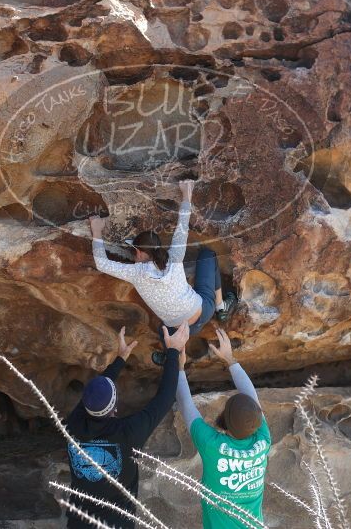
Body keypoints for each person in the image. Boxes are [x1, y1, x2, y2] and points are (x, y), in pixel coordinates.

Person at [64, 323, 190, 528]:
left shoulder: (72, 425)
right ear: (114, 406)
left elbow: (96, 393)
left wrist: (121, 357)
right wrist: (173, 352)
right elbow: (165, 399)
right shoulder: (127, 433)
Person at [89, 179, 237, 341]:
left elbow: (102, 264)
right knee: (208, 255)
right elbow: (183, 226)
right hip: (203, 311)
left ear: (138, 252)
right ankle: (221, 308)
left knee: (163, 328)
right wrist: (187, 194)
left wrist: (97, 231)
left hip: (178, 332)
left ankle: (170, 353)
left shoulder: (136, 273)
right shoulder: (174, 257)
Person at [175, 327, 271, 529]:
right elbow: (186, 405)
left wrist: (178, 368)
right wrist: (230, 359)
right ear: (257, 418)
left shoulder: (213, 446)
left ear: (224, 420)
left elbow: (185, 404)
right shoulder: (263, 441)